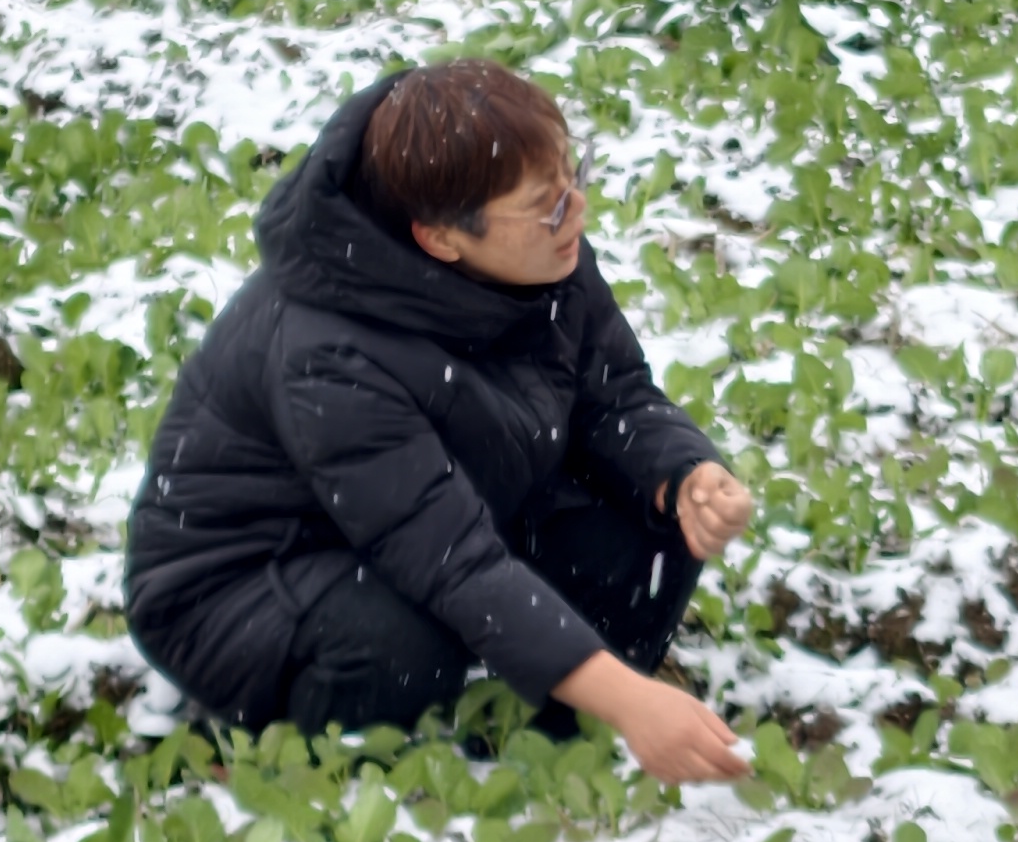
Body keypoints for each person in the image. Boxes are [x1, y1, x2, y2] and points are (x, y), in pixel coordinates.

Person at [123, 59, 756, 784]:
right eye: (548, 205)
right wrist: (631, 699)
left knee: (648, 519)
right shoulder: (327, 352)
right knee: (402, 647)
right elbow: (452, 561)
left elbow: (613, 396)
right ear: (441, 240)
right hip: (240, 586)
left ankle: (546, 734)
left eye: (572, 177)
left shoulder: (542, 254)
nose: (576, 210)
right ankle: (326, 771)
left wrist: (682, 476)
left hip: (421, 521)